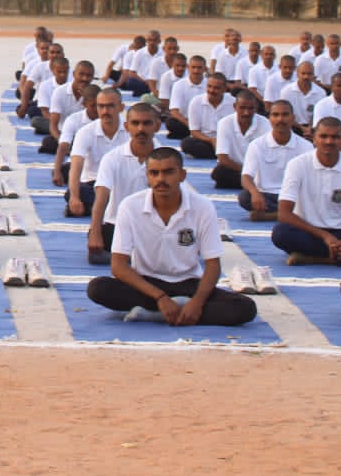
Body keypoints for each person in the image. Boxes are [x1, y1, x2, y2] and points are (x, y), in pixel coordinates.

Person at [85, 148, 257, 327]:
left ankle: (156, 314)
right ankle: (175, 309)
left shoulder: (202, 207)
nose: (161, 179)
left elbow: (213, 265)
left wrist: (197, 303)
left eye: (168, 172)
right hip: (146, 284)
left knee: (245, 308)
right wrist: (160, 297)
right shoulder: (130, 206)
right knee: (98, 288)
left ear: (182, 175)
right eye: (154, 173)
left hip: (188, 283)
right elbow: (118, 266)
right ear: (147, 176)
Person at [274, 117, 341, 264]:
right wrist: (325, 236)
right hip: (310, 231)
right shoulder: (297, 165)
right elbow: (283, 213)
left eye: (335, 137)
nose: (329, 141)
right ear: (314, 139)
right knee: (280, 233)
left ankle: (315, 258)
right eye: (323, 136)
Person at [89, 102, 160, 265]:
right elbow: (101, 197)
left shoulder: (166, 158)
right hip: (118, 226)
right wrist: (95, 232)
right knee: (97, 250)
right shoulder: (112, 158)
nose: (141, 129)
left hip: (154, 227)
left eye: (147, 123)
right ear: (127, 127)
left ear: (157, 126)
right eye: (135, 123)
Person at [66, 87, 127, 218]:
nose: (105, 111)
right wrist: (74, 198)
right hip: (93, 184)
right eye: (101, 106)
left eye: (110, 106)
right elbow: (76, 166)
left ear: (121, 107)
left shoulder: (131, 130)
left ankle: (100, 207)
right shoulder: (85, 132)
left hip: (121, 184)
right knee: (74, 193)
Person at [211, 90, 270, 190]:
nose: (246, 113)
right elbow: (223, 158)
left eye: (250, 108)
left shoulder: (265, 124)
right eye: (242, 108)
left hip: (257, 171)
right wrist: (246, 173)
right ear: (235, 106)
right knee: (219, 173)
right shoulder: (224, 123)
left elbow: (268, 155)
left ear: (256, 108)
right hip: (236, 168)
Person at [183, 72, 234, 160]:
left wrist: (221, 141)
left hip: (226, 141)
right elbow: (194, 131)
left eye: (216, 88)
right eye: (209, 86)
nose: (211, 90)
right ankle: (223, 155)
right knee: (187, 144)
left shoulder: (233, 103)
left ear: (225, 89)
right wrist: (211, 140)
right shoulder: (196, 102)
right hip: (205, 140)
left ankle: (222, 154)